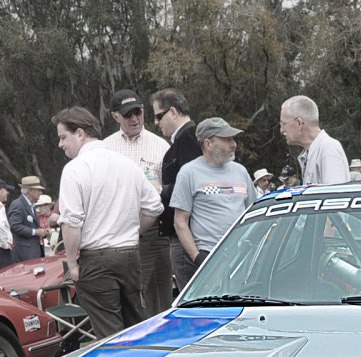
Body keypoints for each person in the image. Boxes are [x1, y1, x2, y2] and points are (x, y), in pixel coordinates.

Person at [52, 106, 163, 339]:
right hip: (130, 255)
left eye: (63, 137)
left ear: (80, 133)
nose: (61, 144)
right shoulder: (127, 163)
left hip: (96, 259)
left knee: (110, 336)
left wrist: (72, 264)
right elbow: (155, 206)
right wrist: (135, 231)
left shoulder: (75, 169)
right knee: (137, 327)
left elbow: (71, 222)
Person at [105, 89, 173, 318]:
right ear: (115, 116)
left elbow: (171, 190)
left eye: (138, 112)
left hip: (155, 230)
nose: (134, 119)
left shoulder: (160, 145)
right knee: (129, 296)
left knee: (160, 294)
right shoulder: (106, 149)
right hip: (119, 232)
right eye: (127, 115)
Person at [171, 118, 257, 285]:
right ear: (208, 144)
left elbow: (253, 212)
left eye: (233, 139)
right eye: (227, 139)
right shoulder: (188, 172)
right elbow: (180, 221)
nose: (234, 144)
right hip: (209, 258)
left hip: (242, 258)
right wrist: (197, 257)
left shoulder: (241, 171)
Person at [151, 88, 204, 290]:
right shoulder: (187, 140)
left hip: (188, 235)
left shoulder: (189, 139)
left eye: (158, 116)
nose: (156, 122)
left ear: (173, 112)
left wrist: (160, 190)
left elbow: (196, 187)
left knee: (192, 300)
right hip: (188, 233)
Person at [280, 95, 349, 185]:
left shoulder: (328, 148)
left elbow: (334, 196)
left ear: (299, 123)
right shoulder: (311, 152)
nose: (281, 130)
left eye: (283, 124)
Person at [8, 176, 51, 262]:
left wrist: (42, 232)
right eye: (38, 190)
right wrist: (36, 232)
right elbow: (15, 226)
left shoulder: (32, 206)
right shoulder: (17, 204)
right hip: (25, 254)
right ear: (30, 191)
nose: (40, 192)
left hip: (34, 252)